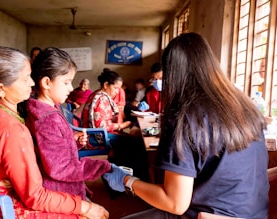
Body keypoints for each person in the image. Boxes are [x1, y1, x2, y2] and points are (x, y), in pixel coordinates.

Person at [102, 32, 269, 218]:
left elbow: (175, 203)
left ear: (172, 74)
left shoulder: (186, 119)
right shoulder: (246, 108)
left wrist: (127, 180)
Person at [0, 46, 109, 219]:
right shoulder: (11, 128)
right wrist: (84, 207)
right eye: (26, 78)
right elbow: (35, 196)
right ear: (0, 89)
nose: (33, 83)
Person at [25, 47, 112, 201]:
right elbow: (60, 167)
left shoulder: (50, 109)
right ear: (46, 82)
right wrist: (102, 166)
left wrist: (73, 140)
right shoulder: (46, 119)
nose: (71, 88)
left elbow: (52, 150)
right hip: (60, 191)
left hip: (62, 187)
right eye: (66, 83)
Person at [81, 70, 149, 181]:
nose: (117, 92)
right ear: (106, 84)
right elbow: (101, 127)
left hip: (95, 133)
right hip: (95, 137)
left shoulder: (99, 94)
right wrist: (121, 125)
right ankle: (125, 178)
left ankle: (121, 174)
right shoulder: (101, 98)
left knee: (131, 139)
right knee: (135, 143)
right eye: (116, 88)